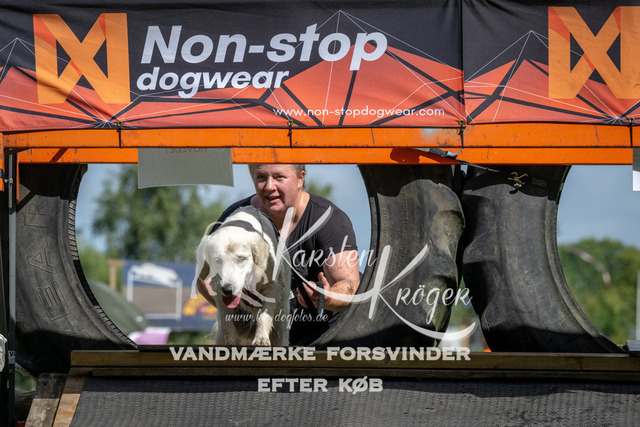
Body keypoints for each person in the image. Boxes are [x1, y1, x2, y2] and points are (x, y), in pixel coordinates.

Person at [197, 163, 361, 344]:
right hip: (268, 335)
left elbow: (349, 286)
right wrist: (238, 310)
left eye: (279, 177)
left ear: (300, 179)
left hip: (324, 333)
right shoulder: (234, 219)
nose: (269, 186)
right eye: (261, 177)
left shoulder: (328, 220)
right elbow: (204, 279)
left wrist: (325, 297)